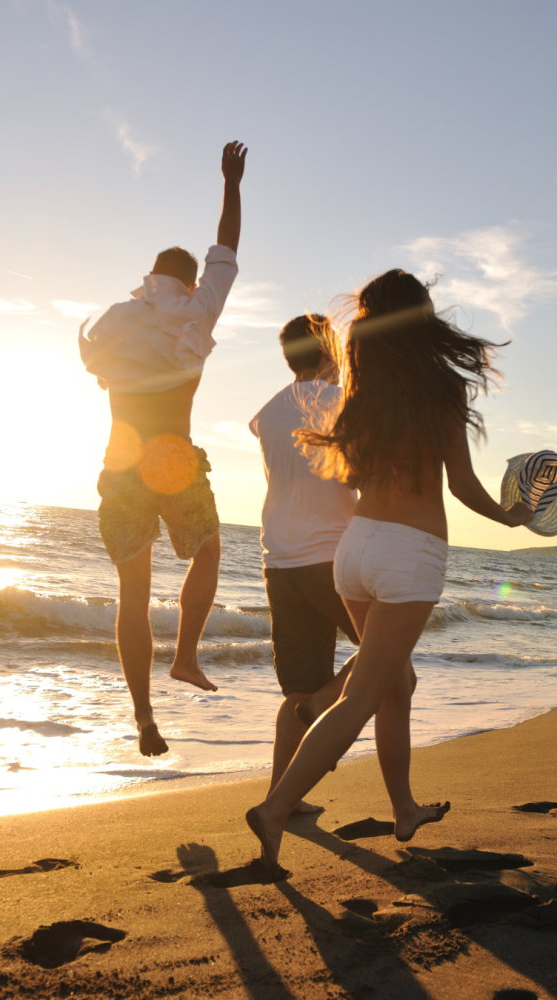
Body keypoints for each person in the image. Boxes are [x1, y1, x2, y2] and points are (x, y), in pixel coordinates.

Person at [245, 270, 533, 873]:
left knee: (395, 685)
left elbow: (349, 477)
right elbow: (461, 484)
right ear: (423, 318)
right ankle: (274, 808)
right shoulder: (442, 389)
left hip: (355, 550)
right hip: (409, 553)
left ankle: (403, 809)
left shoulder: (358, 389)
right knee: (361, 695)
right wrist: (511, 519)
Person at [79, 141, 247, 756]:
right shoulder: (198, 310)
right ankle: (184, 656)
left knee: (132, 596)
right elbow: (226, 249)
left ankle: (144, 715)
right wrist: (231, 183)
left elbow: (97, 368)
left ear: (150, 274)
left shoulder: (120, 318)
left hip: (121, 462)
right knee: (207, 553)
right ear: (190, 279)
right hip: (172, 459)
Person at [249, 315, 359, 812]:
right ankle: (322, 704)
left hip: (280, 560)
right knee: (388, 655)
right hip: (331, 556)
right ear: (329, 351)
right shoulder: (340, 403)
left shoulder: (267, 411)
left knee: (296, 685)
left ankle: (281, 797)